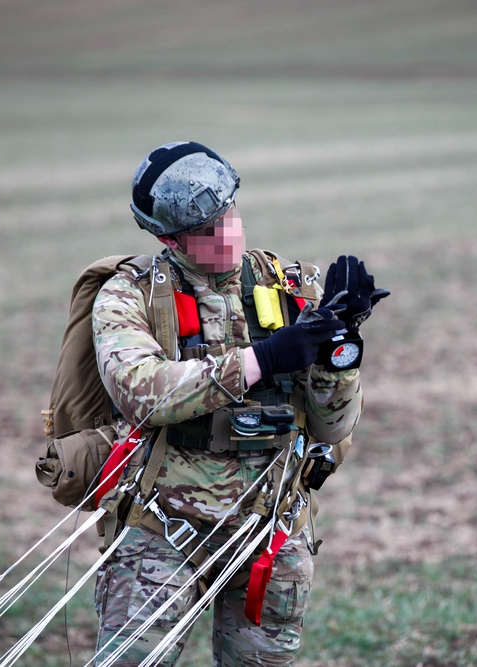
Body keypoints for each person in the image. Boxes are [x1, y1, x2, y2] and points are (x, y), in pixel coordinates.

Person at [91, 141, 388, 666]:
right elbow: (140, 389)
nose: (226, 235)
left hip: (269, 529)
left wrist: (340, 355)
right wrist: (262, 359)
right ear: (169, 239)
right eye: (206, 231)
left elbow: (331, 428)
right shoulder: (129, 295)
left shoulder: (294, 288)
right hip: (161, 530)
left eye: (229, 215)